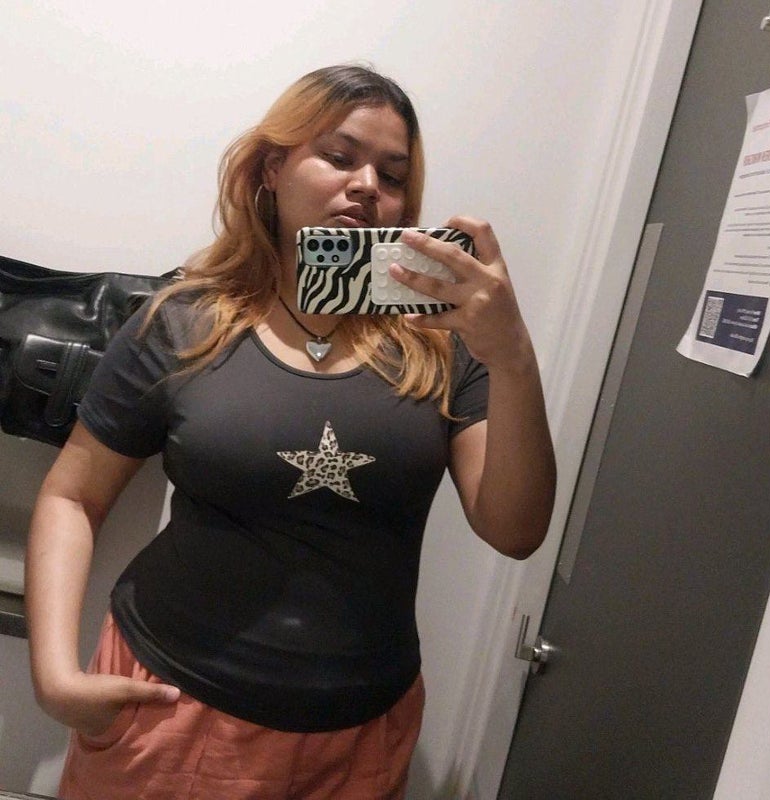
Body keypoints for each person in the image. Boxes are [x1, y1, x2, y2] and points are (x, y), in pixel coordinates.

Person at [25, 64, 556, 800]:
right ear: (272, 169)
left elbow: (516, 529)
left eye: (392, 175)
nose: (366, 185)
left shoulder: (442, 345)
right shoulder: (184, 322)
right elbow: (73, 496)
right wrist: (53, 674)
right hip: (169, 712)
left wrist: (513, 356)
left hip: (359, 740)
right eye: (339, 157)